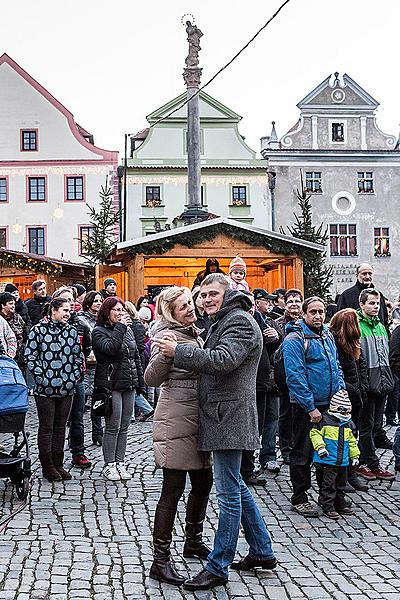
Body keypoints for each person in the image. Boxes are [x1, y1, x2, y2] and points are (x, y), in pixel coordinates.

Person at [156, 273, 276, 592]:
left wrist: (177, 352)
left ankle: (219, 564)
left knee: (227, 493)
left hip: (229, 417)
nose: (206, 300)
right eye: (202, 296)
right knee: (235, 485)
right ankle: (262, 551)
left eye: (212, 294)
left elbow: (223, 361)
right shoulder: (224, 319)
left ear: (227, 293)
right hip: (224, 416)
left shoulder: (238, 321)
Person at [145, 287, 213, 586]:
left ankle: (193, 540)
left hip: (197, 420)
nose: (190, 308)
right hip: (175, 419)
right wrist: (164, 353)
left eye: (190, 303)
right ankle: (160, 561)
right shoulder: (167, 336)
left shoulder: (194, 332)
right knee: (172, 489)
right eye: (183, 306)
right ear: (170, 312)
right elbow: (150, 378)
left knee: (203, 481)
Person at [282, 296, 345, 517]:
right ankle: (300, 497)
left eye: (321, 312)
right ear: (304, 314)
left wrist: (341, 394)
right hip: (306, 407)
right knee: (302, 453)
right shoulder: (294, 339)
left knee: (326, 453)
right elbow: (295, 377)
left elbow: (335, 365)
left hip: (330, 404)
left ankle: (328, 497)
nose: (318, 316)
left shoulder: (327, 334)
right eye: (313, 312)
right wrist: (310, 407)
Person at [25, 297, 83, 481]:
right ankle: (47, 466)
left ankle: (58, 464)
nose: (68, 313)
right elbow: (30, 356)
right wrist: (42, 377)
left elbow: (77, 356)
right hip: (45, 390)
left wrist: (74, 377)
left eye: (69, 310)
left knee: (60, 428)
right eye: (65, 310)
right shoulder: (38, 331)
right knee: (46, 428)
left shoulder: (71, 332)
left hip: (67, 388)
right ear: (53, 311)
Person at [92, 296, 144, 481]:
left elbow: (135, 355)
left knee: (124, 426)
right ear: (107, 312)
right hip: (110, 384)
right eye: (116, 310)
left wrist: (140, 382)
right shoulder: (98, 332)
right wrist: (121, 327)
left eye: (122, 310)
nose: (120, 313)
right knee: (113, 426)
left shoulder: (127, 330)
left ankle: (120, 462)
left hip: (128, 382)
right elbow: (111, 349)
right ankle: (109, 464)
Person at [356, 288, 395, 481]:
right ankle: (369, 462)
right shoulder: (358, 326)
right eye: (371, 303)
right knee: (366, 425)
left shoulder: (380, 326)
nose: (375, 307)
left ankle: (366, 459)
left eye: (377, 303)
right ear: (362, 305)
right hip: (368, 384)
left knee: (376, 425)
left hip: (382, 383)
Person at [329, 308, 369, 492]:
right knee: (341, 438)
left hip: (357, 397)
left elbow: (361, 367)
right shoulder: (336, 345)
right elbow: (337, 373)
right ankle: (341, 477)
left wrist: (363, 388)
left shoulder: (354, 345)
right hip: (343, 399)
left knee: (353, 437)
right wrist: (352, 390)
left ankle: (351, 474)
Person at [53, 287, 92, 469]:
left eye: (71, 300)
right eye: (64, 300)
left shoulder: (81, 325)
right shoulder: (46, 326)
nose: (68, 303)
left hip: (77, 378)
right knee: (56, 421)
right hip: (54, 379)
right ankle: (54, 454)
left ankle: (78, 452)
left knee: (77, 417)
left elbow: (85, 351)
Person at [247, 288, 281, 479]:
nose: (269, 303)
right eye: (265, 300)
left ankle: (268, 456)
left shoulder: (270, 321)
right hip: (258, 381)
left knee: (272, 421)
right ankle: (250, 461)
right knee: (257, 423)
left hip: (271, 380)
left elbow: (273, 350)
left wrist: (275, 338)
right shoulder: (252, 320)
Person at [310, 390, 360, 519]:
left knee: (341, 484)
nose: (346, 415)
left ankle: (339, 503)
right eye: (343, 412)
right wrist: (320, 447)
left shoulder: (348, 424)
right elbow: (315, 434)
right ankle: (327, 505)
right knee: (328, 484)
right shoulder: (325, 421)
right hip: (328, 461)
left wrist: (355, 456)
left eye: (347, 412)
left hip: (342, 461)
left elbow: (352, 442)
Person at [275, 288, 304, 463]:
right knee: (285, 413)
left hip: (303, 373)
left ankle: (300, 446)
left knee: (301, 412)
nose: (294, 304)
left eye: (297, 301)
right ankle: (286, 448)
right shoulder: (277, 323)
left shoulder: (306, 321)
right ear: (285, 304)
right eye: (290, 301)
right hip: (285, 373)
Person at [76, 291, 104, 446]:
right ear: (88, 303)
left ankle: (97, 432)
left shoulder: (102, 320)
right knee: (83, 398)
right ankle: (76, 434)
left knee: (97, 398)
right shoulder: (81, 320)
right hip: (86, 363)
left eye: (100, 301)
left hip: (99, 362)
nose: (98, 303)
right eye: (95, 301)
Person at [124, 301, 154, 421]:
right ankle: (143, 410)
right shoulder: (134, 325)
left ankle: (134, 413)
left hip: (136, 359)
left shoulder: (136, 326)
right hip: (133, 359)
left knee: (132, 388)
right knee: (131, 388)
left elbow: (139, 346)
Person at [0, 292, 27, 368]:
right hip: (4, 360)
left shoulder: (18, 318)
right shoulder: (2, 320)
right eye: (10, 303)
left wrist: (11, 355)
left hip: (18, 359)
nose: (13, 306)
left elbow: (25, 335)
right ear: (2, 305)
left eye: (14, 304)